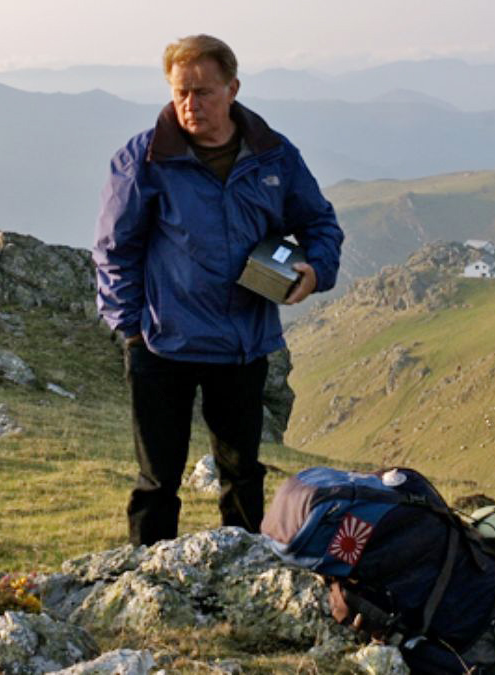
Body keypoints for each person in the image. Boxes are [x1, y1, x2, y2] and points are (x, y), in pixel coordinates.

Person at [93, 34, 344, 546]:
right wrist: (131, 330)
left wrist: (315, 272)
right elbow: (114, 248)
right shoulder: (143, 159)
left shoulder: (273, 157)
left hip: (241, 346)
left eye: (203, 92)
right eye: (180, 92)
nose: (190, 104)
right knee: (157, 481)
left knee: (243, 475)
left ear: (232, 89)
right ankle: (150, 578)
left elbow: (320, 223)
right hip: (162, 345)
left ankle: (248, 572)